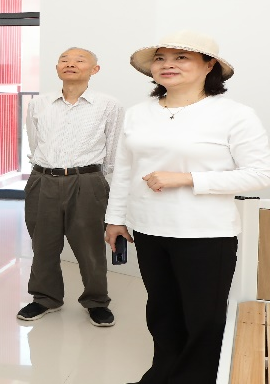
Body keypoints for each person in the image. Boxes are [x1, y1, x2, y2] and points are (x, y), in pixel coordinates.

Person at [105, 30, 270, 384]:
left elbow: (261, 174)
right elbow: (124, 171)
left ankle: (194, 378)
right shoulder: (138, 114)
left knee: (203, 317)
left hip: (205, 232)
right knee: (162, 310)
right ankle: (163, 371)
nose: (168, 65)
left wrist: (187, 179)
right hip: (148, 228)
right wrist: (115, 218)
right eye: (160, 58)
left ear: (209, 66)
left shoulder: (234, 115)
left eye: (181, 57)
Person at [18, 47, 124, 327]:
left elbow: (114, 152)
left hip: (87, 181)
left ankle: (96, 301)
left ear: (94, 69)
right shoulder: (39, 103)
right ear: (57, 68)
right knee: (43, 244)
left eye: (79, 60)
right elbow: (35, 143)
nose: (70, 64)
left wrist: (101, 185)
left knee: (90, 247)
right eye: (64, 60)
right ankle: (45, 298)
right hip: (43, 180)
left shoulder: (108, 105)